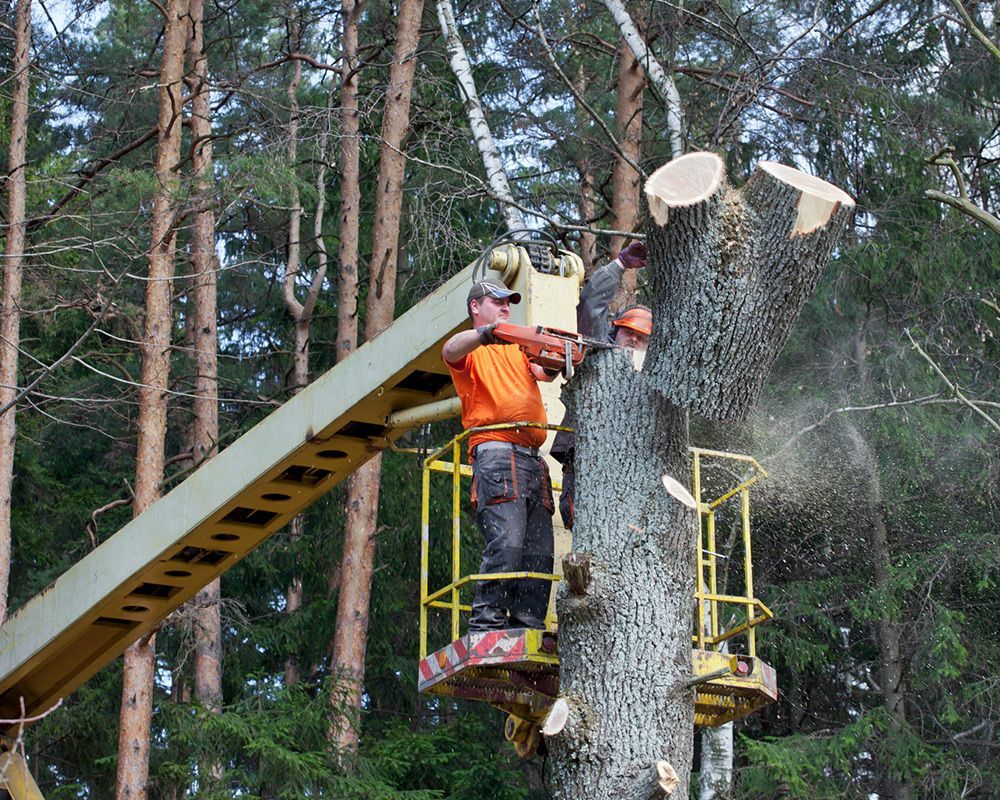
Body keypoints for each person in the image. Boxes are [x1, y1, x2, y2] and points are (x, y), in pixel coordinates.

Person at [442, 280, 559, 632]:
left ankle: (527, 621)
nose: (507, 307)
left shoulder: (517, 350)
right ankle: (486, 621)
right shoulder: (471, 350)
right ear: (476, 307)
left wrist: (555, 357)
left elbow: (544, 373)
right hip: (496, 454)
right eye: (498, 302)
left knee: (539, 549)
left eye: (509, 302)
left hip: (532, 457)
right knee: (507, 542)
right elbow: (449, 349)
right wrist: (487, 333)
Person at [551, 241, 652, 529]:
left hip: (629, 473)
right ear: (614, 330)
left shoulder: (651, 379)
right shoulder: (596, 354)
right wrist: (620, 265)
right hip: (586, 465)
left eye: (641, 337)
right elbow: (592, 303)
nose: (633, 340)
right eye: (628, 332)